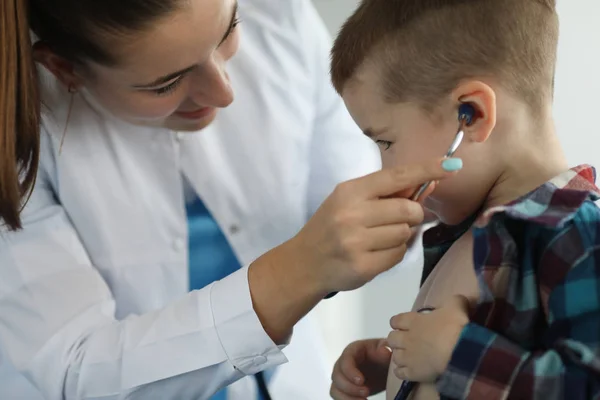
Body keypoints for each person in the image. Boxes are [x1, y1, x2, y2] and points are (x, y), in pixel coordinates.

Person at [0, 0, 460, 399]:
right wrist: (300, 269)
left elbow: (374, 231)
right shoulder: (18, 132)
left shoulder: (278, 16)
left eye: (229, 30)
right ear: (64, 68)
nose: (224, 91)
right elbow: (77, 370)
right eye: (166, 83)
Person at [328, 0, 600, 399]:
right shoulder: (465, 234)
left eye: (386, 141)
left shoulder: (576, 235)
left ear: (470, 114)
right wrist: (403, 367)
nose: (383, 170)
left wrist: (458, 356)